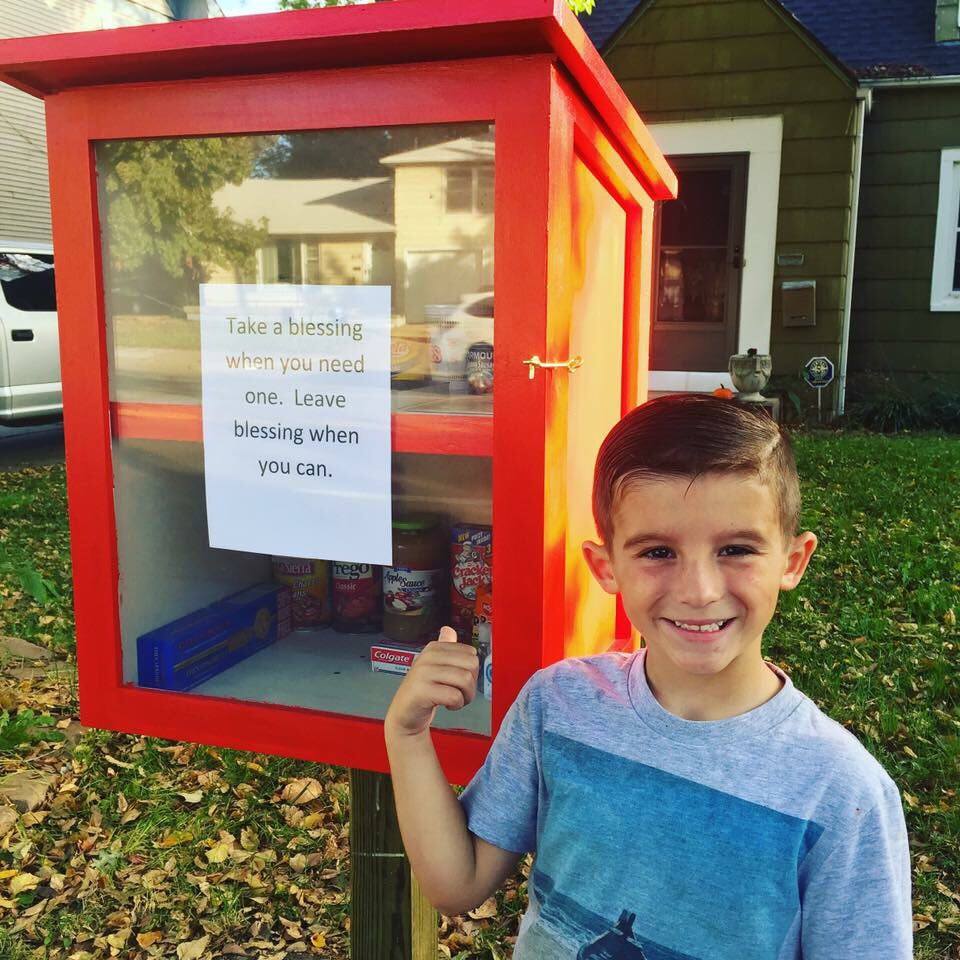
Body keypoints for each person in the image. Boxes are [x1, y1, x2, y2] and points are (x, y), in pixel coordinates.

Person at [384, 393, 912, 959]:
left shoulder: (838, 788)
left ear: (792, 560)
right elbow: (455, 885)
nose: (700, 590)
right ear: (605, 566)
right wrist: (407, 735)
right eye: (658, 551)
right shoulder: (558, 706)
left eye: (736, 549)